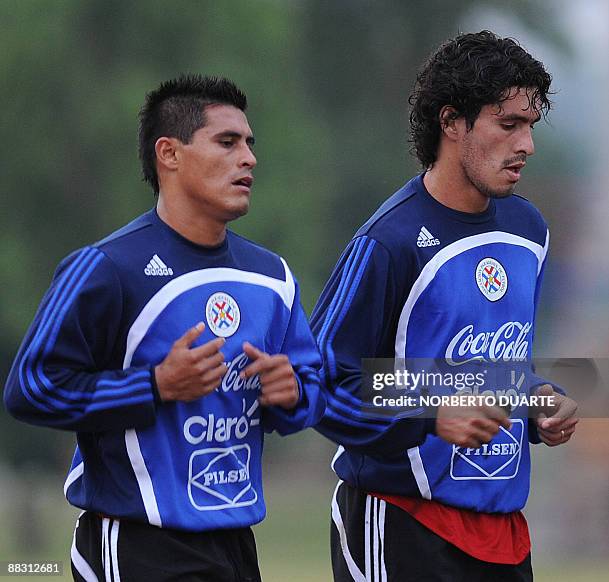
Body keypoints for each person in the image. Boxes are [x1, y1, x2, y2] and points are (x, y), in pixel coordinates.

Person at [4, 74, 324, 581]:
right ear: (169, 154)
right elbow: (31, 389)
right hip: (135, 545)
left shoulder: (272, 277)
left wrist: (291, 394)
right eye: (227, 142)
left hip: (237, 546)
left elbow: (311, 390)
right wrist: (154, 385)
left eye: (249, 143)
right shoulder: (105, 267)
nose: (249, 158)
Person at [311, 31, 578, 581]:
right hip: (402, 523)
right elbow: (318, 383)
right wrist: (431, 413)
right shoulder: (390, 242)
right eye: (509, 125)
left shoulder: (528, 229)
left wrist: (537, 400)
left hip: (502, 532)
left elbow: (496, 369)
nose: (527, 144)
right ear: (452, 122)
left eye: (530, 126)